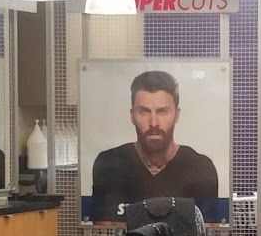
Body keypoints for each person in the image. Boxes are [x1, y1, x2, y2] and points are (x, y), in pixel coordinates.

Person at [89, 68, 220, 217]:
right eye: (144, 111)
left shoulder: (201, 168)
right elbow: (103, 227)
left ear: (177, 115)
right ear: (132, 115)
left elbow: (207, 227)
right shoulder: (109, 164)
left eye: (162, 111)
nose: (153, 123)